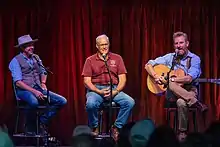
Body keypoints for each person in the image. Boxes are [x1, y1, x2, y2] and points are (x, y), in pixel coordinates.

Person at [145, 31, 208, 141]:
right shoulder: (170, 57)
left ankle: (182, 133)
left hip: (190, 89)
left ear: (187, 43)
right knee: (170, 84)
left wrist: (171, 80)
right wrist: (156, 76)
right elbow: (148, 64)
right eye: (176, 43)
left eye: (181, 43)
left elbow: (189, 78)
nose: (179, 46)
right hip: (172, 93)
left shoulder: (194, 59)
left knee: (181, 102)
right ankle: (195, 102)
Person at [9, 34, 67, 136]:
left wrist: (43, 83)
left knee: (62, 101)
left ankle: (42, 121)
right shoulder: (16, 61)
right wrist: (34, 92)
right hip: (23, 90)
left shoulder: (36, 58)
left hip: (38, 88)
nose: (32, 47)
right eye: (28, 45)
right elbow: (18, 82)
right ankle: (29, 126)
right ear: (22, 48)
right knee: (34, 102)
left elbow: (43, 72)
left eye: (32, 44)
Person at [81, 34, 135, 141]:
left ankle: (116, 127)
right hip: (96, 89)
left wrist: (116, 91)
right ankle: (95, 127)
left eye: (106, 44)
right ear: (97, 46)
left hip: (113, 88)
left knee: (130, 102)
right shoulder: (90, 60)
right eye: (102, 45)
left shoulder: (117, 58)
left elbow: (123, 79)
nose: (104, 47)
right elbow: (86, 81)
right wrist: (99, 91)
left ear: (109, 44)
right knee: (91, 104)